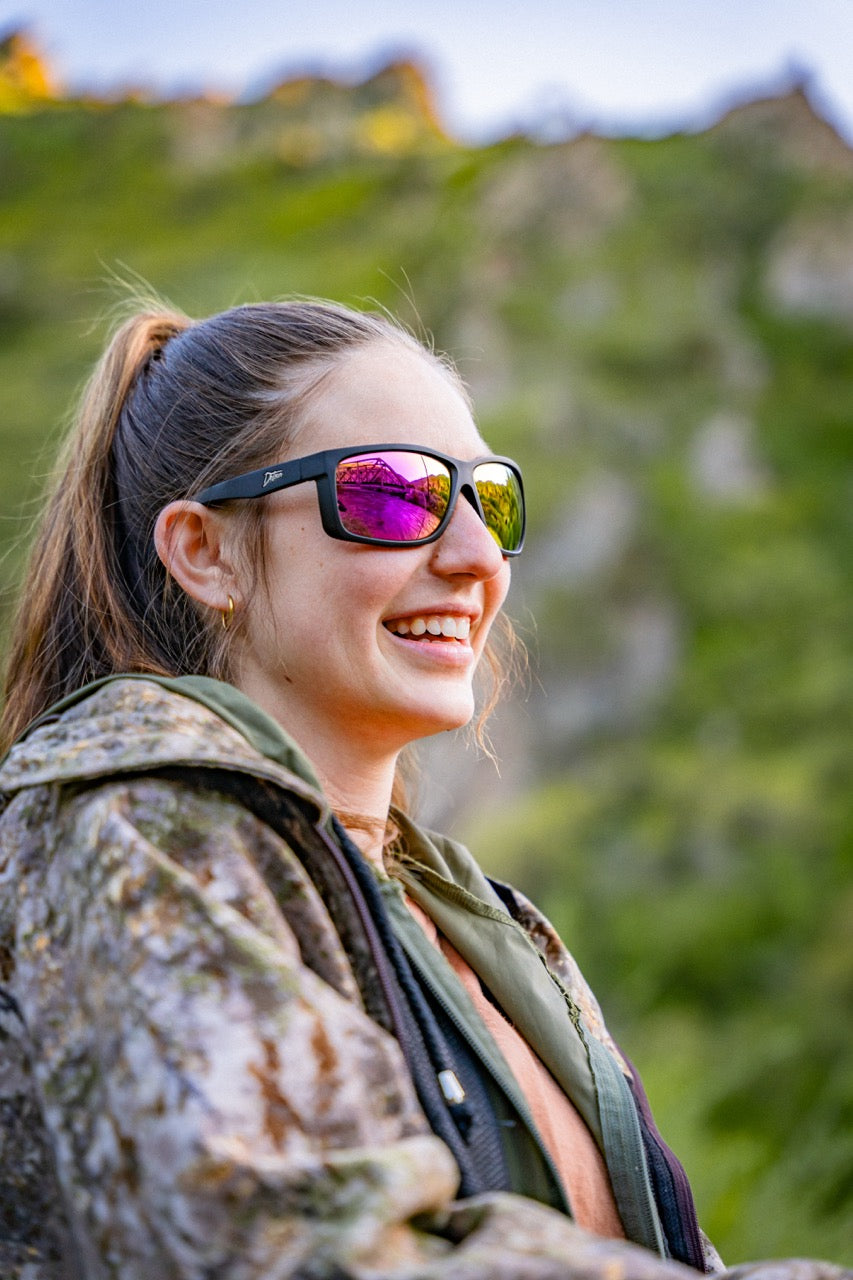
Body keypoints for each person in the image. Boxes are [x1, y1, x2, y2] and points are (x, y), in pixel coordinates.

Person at [0, 301, 842, 1280]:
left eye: (489, 500)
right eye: (393, 495)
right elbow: (294, 1250)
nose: (477, 556)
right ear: (205, 551)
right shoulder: (136, 823)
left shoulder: (478, 921)